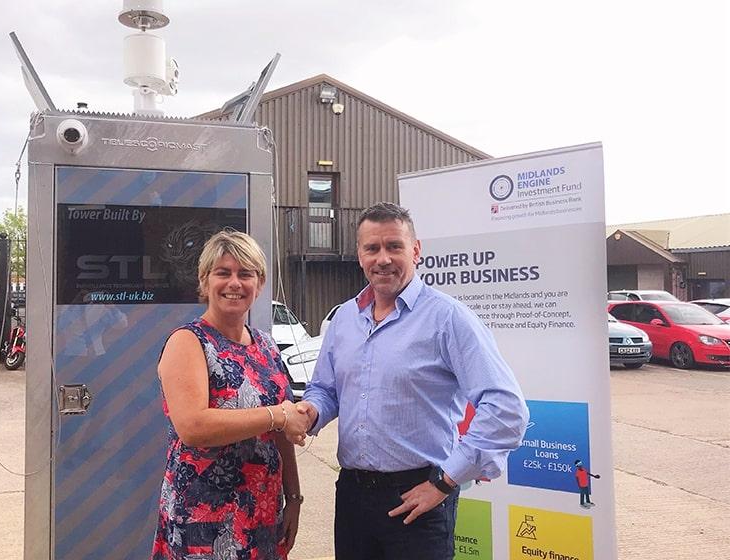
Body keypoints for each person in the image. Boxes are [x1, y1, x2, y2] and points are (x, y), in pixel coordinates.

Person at [297, 202, 529, 560]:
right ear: (360, 255)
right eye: (372, 248)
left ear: (416, 251)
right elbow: (326, 390)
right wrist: (310, 412)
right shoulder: (345, 318)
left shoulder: (448, 319)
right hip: (353, 496)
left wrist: (445, 482)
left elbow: (506, 409)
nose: (383, 258)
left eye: (394, 246)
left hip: (419, 495)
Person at [151, 230, 307, 560]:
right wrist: (276, 415)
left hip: (262, 514)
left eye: (245, 274)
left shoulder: (265, 345)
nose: (234, 283)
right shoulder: (188, 342)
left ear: (259, 283)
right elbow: (193, 427)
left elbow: (283, 432)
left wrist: (293, 497)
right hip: (204, 521)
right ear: (205, 281)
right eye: (223, 273)